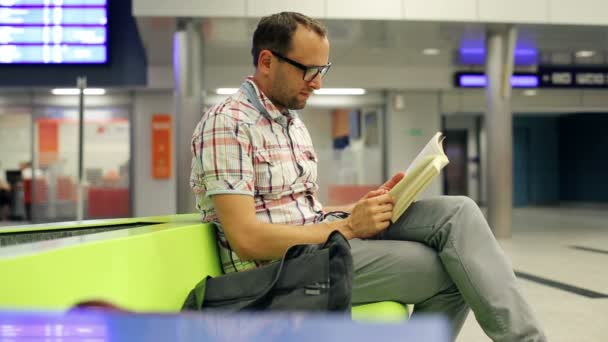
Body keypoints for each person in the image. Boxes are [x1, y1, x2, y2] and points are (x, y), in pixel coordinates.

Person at [190, 12, 546, 342]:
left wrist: (357, 209)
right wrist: (346, 228)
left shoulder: (290, 123)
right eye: (307, 70)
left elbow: (299, 211)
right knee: (454, 271)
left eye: (322, 70)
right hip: (280, 272)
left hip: (318, 244)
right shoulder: (228, 123)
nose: (317, 84)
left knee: (458, 212)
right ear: (267, 61)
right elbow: (246, 238)